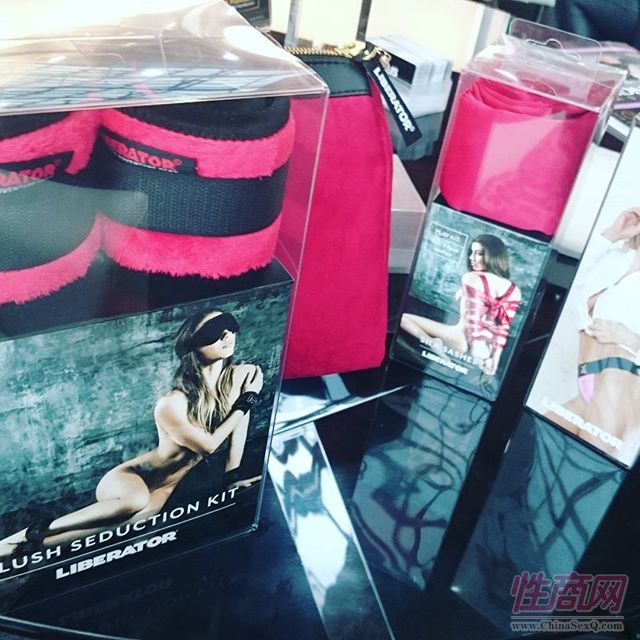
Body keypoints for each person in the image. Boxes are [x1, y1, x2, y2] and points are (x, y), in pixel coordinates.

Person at [0, 309, 263, 556]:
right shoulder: (172, 403)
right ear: (192, 345)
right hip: (132, 477)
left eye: (230, 327)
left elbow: (239, 427)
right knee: (135, 501)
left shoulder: (242, 375)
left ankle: (21, 550)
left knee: (131, 524)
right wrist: (247, 400)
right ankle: (34, 531)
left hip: (166, 486)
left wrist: (231, 478)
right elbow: (208, 445)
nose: (228, 335)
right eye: (215, 331)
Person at [546, 208, 640, 464]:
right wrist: (612, 234)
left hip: (620, 386)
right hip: (587, 383)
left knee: (585, 472)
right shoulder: (616, 258)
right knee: (529, 451)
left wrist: (632, 339)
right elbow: (566, 279)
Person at [401, 234, 521, 375]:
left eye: (479, 254)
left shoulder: (472, 278)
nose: (472, 258)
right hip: (486, 350)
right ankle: (435, 344)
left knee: (404, 318)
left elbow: (473, 320)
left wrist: (475, 350)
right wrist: (494, 359)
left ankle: (431, 342)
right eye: (472, 252)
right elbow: (503, 328)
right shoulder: (514, 290)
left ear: (493, 256)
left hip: (463, 339)